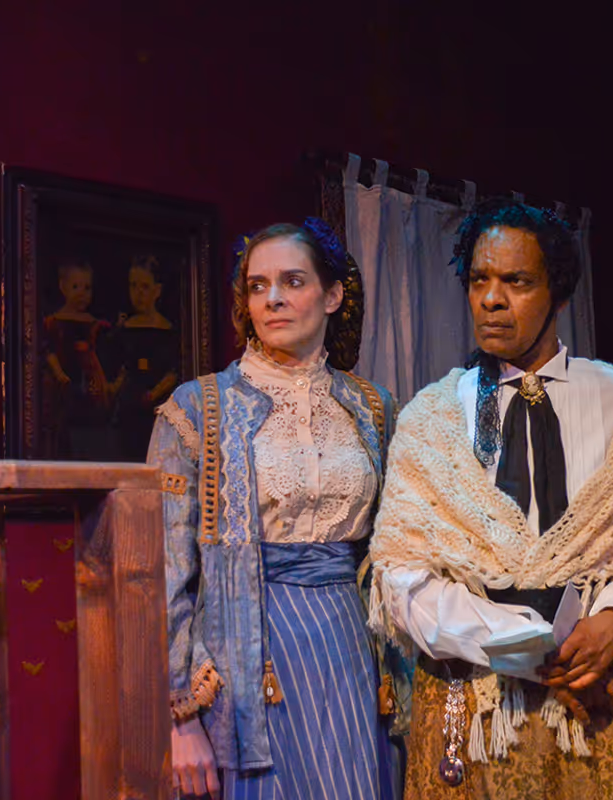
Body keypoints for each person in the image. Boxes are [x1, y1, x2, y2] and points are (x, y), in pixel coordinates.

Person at [368, 200, 613, 799]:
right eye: (479, 280)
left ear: (558, 293)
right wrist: (519, 643)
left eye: (516, 281)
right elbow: (403, 577)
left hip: (601, 699)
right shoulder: (432, 418)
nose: (491, 299)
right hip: (477, 705)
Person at [152, 218, 398, 799]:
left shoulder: (372, 406)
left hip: (349, 643)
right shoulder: (198, 407)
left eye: (292, 281)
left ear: (332, 295)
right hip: (247, 655)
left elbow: (394, 547)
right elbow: (164, 571)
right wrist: (180, 714)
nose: (273, 299)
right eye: (258, 286)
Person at [107, 254, 180, 460]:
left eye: (144, 287)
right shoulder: (125, 330)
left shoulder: (168, 331)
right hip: (129, 406)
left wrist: (154, 393)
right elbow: (123, 368)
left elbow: (173, 371)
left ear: (157, 290)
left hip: (158, 406)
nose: (138, 293)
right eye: (133, 286)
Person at [42, 258, 112, 458]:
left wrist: (100, 382)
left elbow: (97, 354)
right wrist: (59, 374)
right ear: (63, 287)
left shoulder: (94, 324)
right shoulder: (54, 322)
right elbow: (49, 351)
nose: (82, 293)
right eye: (75, 287)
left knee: (89, 431)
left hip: (88, 381)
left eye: (87, 288)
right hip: (63, 382)